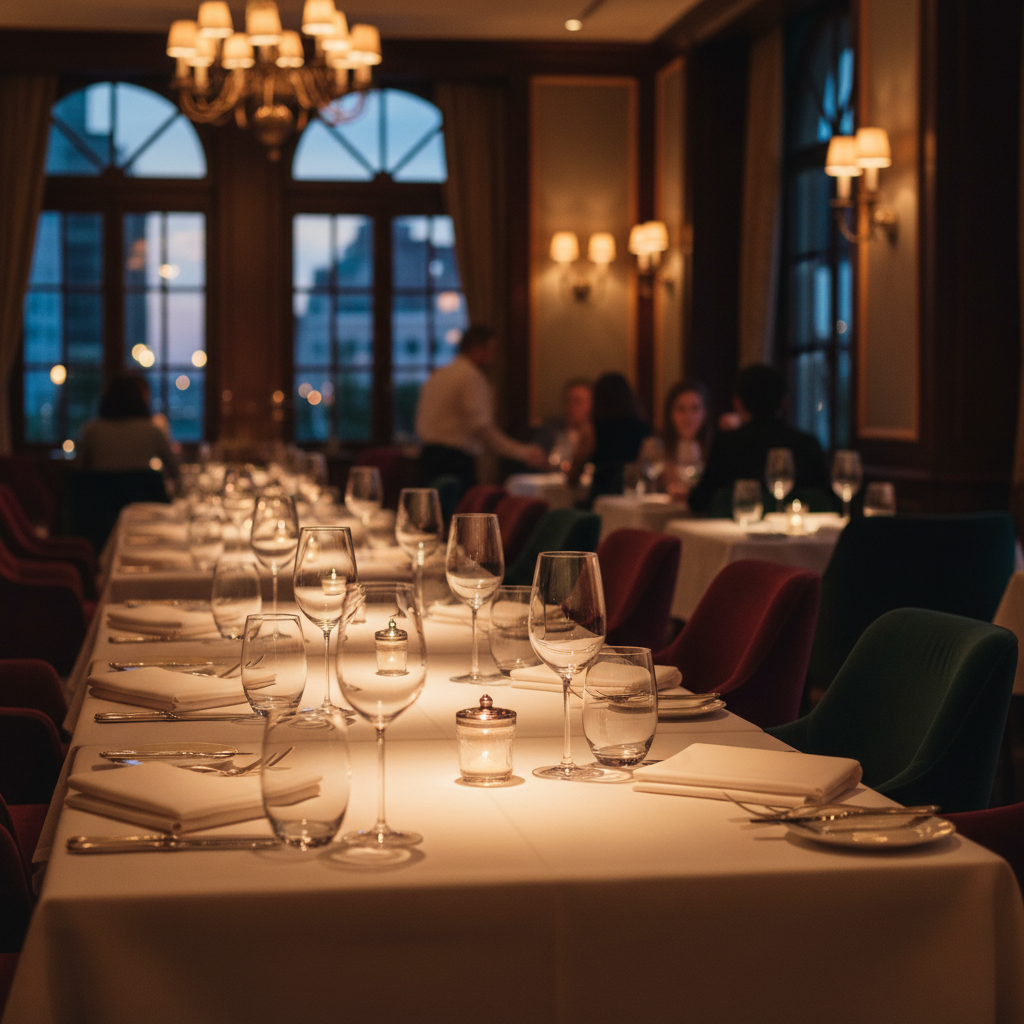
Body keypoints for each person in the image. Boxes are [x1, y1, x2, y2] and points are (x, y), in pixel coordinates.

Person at [415, 325, 547, 490]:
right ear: (477, 349)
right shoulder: (471, 376)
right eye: (491, 350)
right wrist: (523, 452)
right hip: (455, 462)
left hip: (427, 459)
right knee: (461, 507)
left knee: (430, 505)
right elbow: (481, 429)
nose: (493, 357)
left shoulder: (438, 375)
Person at [687, 364, 828, 513]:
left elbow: (700, 500)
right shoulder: (807, 444)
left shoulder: (727, 444)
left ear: (738, 403)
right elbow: (825, 500)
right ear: (784, 401)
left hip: (737, 527)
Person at [76, 374, 179, 478]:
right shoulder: (152, 431)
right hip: (141, 488)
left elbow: (79, 472)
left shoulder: (90, 431)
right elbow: (174, 470)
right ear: (139, 399)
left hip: (101, 488)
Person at [569, 372, 650, 500]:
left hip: (602, 498)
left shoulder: (593, 430)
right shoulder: (644, 429)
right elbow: (646, 467)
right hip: (633, 497)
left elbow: (574, 474)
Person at [656, 379, 712, 502]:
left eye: (695, 409)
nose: (688, 417)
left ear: (705, 412)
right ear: (670, 413)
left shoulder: (715, 449)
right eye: (681, 409)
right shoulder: (655, 447)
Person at [533, 378, 593, 470]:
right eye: (568, 401)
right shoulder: (550, 430)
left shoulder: (599, 435)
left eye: (578, 401)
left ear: (591, 404)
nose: (572, 406)